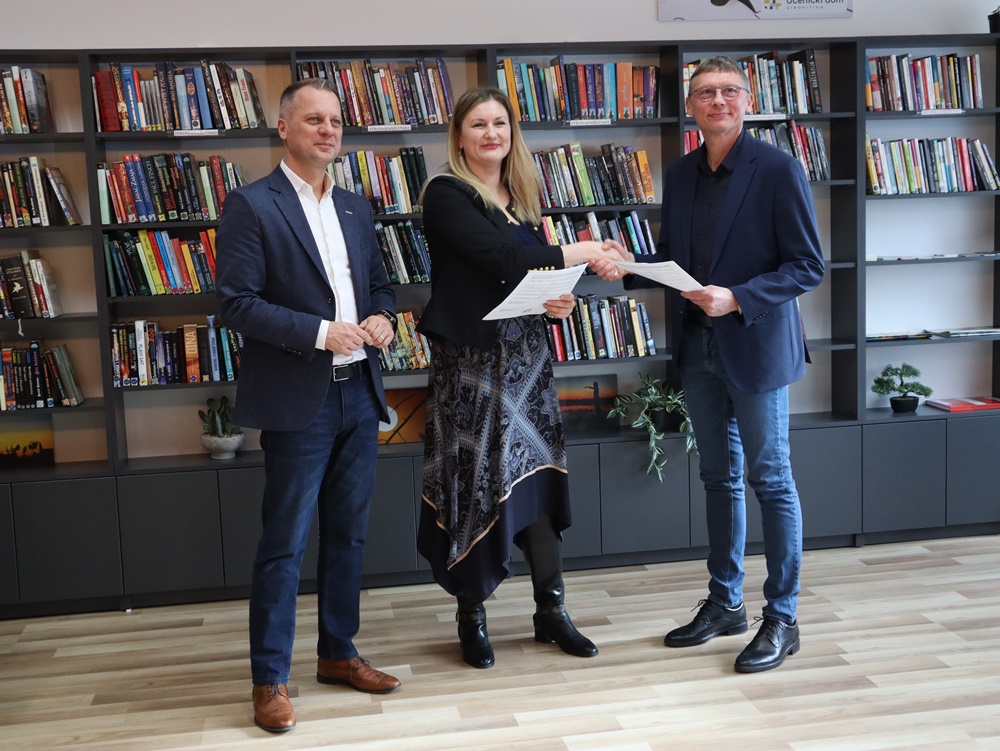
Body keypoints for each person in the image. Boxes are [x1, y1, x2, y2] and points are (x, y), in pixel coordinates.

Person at [594, 57, 824, 672]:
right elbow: (675, 260)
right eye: (704, 93)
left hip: (755, 346)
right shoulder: (680, 173)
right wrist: (628, 264)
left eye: (728, 91)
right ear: (691, 106)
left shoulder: (778, 168)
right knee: (718, 479)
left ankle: (783, 618)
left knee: (771, 480)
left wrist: (738, 297)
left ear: (747, 101)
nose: (717, 100)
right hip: (696, 348)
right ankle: (726, 603)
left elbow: (808, 266)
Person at [216, 77, 401, 733]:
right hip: (301, 401)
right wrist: (321, 333)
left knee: (349, 535)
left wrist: (383, 317)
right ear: (284, 127)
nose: (328, 130)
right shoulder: (251, 204)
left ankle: (337, 654)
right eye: (314, 119)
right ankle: (269, 678)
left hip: (360, 392)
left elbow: (380, 285)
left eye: (335, 120)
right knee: (284, 545)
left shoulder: (355, 206)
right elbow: (236, 304)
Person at [416, 87, 618, 669]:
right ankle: (471, 616)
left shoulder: (523, 199)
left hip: (527, 363)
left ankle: (551, 611)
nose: (491, 134)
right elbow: (502, 261)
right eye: (478, 124)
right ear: (459, 137)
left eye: (500, 123)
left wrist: (557, 302)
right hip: (472, 367)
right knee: (475, 483)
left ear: (512, 132)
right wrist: (581, 249)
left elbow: (526, 278)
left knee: (536, 479)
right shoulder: (446, 194)